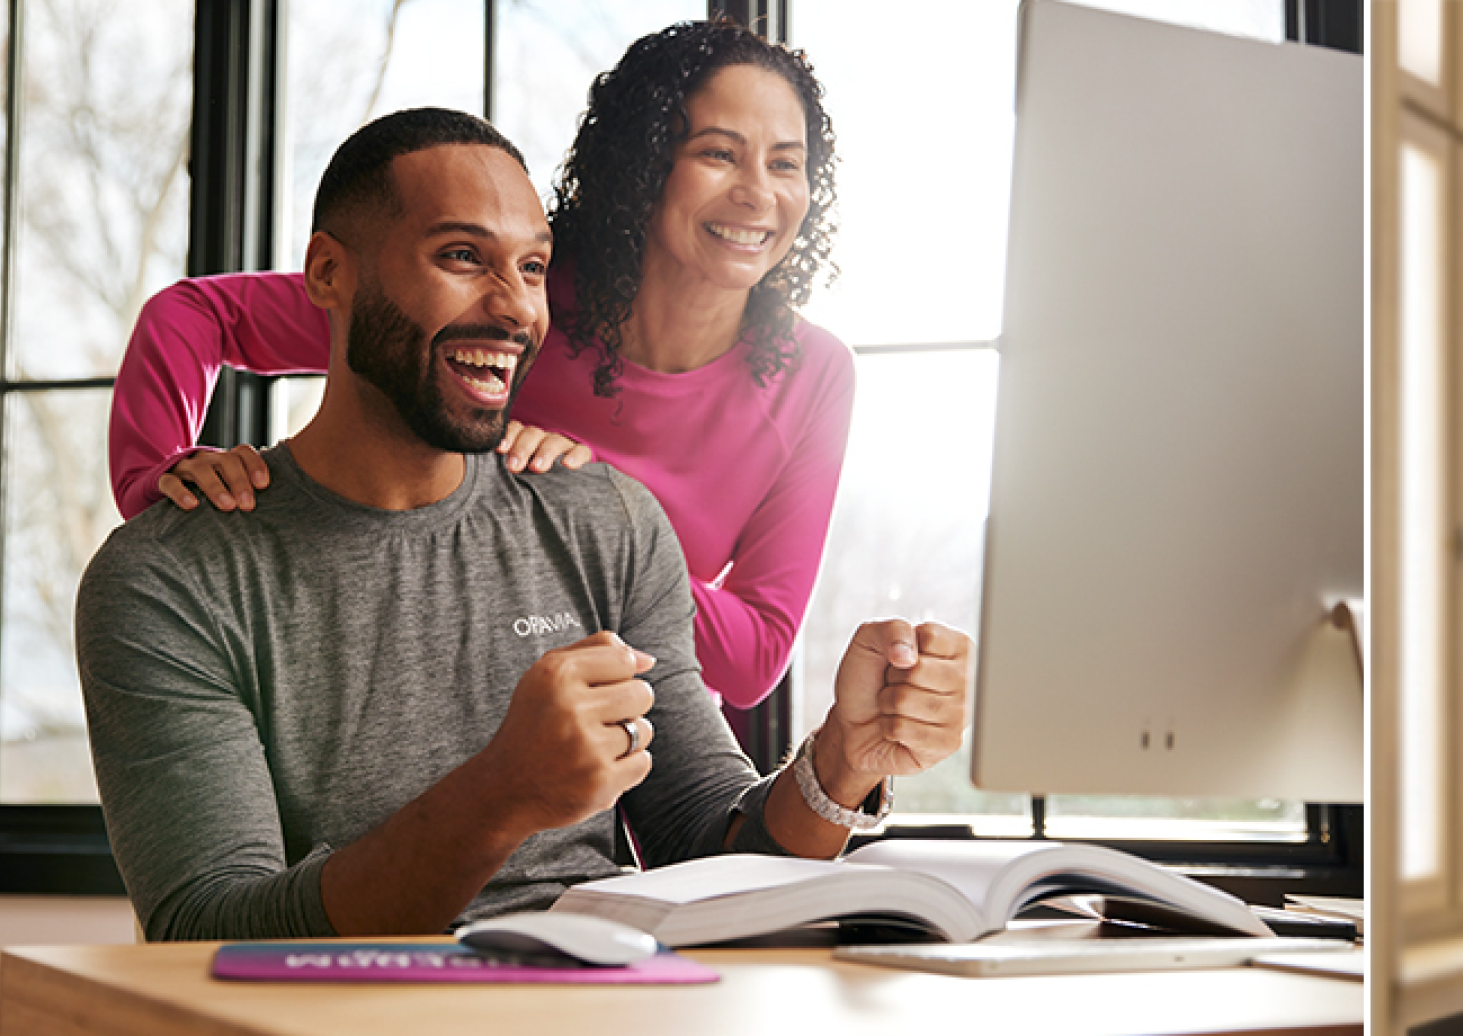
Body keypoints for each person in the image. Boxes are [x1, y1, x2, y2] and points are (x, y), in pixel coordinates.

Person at [76, 107, 969, 941]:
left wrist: (841, 766)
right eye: (463, 257)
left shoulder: (605, 523)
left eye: (533, 267)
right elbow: (208, 933)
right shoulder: (170, 576)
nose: (514, 308)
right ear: (327, 274)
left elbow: (714, 853)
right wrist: (503, 793)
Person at [107, 19, 848, 711]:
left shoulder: (814, 375)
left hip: (630, 747)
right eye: (718, 154)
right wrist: (154, 476)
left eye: (787, 163)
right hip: (403, 701)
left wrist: (586, 523)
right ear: (646, 162)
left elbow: (754, 659)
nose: (758, 193)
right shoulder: (507, 300)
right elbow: (196, 315)